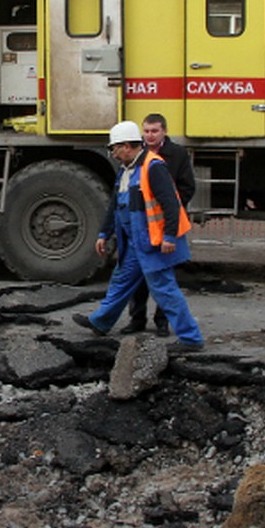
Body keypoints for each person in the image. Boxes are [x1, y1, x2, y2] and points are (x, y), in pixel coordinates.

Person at [72, 120, 204, 353]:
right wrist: (105, 232)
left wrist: (169, 237)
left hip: (152, 242)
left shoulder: (154, 167)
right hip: (136, 242)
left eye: (114, 148)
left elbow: (171, 205)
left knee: (165, 289)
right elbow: (115, 205)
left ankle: (191, 338)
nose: (112, 153)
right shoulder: (127, 169)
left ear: (126, 146)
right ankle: (100, 321)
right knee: (121, 281)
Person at [121, 113, 196, 337]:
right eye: (146, 131)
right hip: (140, 225)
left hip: (163, 225)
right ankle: (137, 319)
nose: (150, 136)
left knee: (164, 276)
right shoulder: (135, 154)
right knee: (139, 275)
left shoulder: (177, 155)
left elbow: (187, 187)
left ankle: (162, 322)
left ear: (164, 131)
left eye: (154, 131)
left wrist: (167, 214)